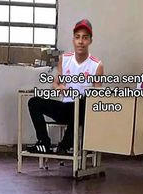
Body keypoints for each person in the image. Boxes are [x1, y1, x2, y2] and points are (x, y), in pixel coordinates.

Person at [27, 19, 104, 154]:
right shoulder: (65, 59)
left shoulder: (96, 65)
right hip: (65, 108)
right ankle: (44, 142)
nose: (81, 41)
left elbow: (96, 96)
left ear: (90, 41)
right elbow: (56, 83)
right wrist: (59, 88)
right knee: (33, 102)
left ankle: (65, 145)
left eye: (85, 38)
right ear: (73, 40)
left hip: (83, 110)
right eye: (77, 37)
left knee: (82, 103)